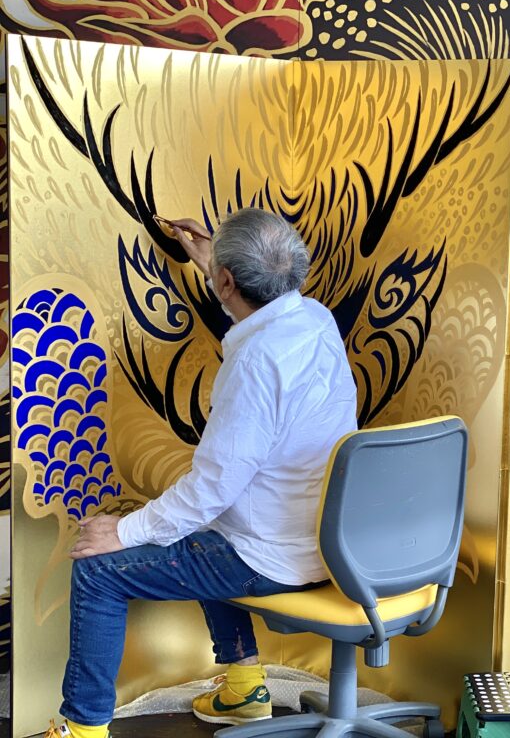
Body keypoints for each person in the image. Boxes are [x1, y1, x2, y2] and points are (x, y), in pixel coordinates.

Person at [44, 208, 358, 738]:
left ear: (230, 282)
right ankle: (245, 689)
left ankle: (83, 730)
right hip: (331, 542)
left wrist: (123, 531)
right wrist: (217, 265)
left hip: (268, 558)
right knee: (204, 526)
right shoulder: (314, 318)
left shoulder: (255, 363)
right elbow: (259, 306)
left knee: (100, 570)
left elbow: (210, 490)